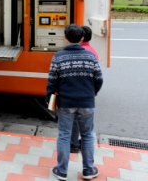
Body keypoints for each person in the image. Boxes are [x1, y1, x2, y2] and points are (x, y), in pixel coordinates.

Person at [46, 24, 103, 180]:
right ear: (82, 38)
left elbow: (52, 81)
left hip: (66, 103)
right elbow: (99, 79)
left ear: (66, 37)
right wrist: (92, 93)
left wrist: (49, 99)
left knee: (64, 135)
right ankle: (89, 170)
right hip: (87, 102)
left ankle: (62, 171)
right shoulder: (91, 57)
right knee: (88, 135)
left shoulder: (58, 57)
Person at [70, 25, 100, 153]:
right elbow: (98, 77)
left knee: (75, 120)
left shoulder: (76, 52)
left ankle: (73, 145)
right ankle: (85, 149)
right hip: (88, 93)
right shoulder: (93, 52)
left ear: (81, 37)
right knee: (87, 124)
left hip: (75, 93)